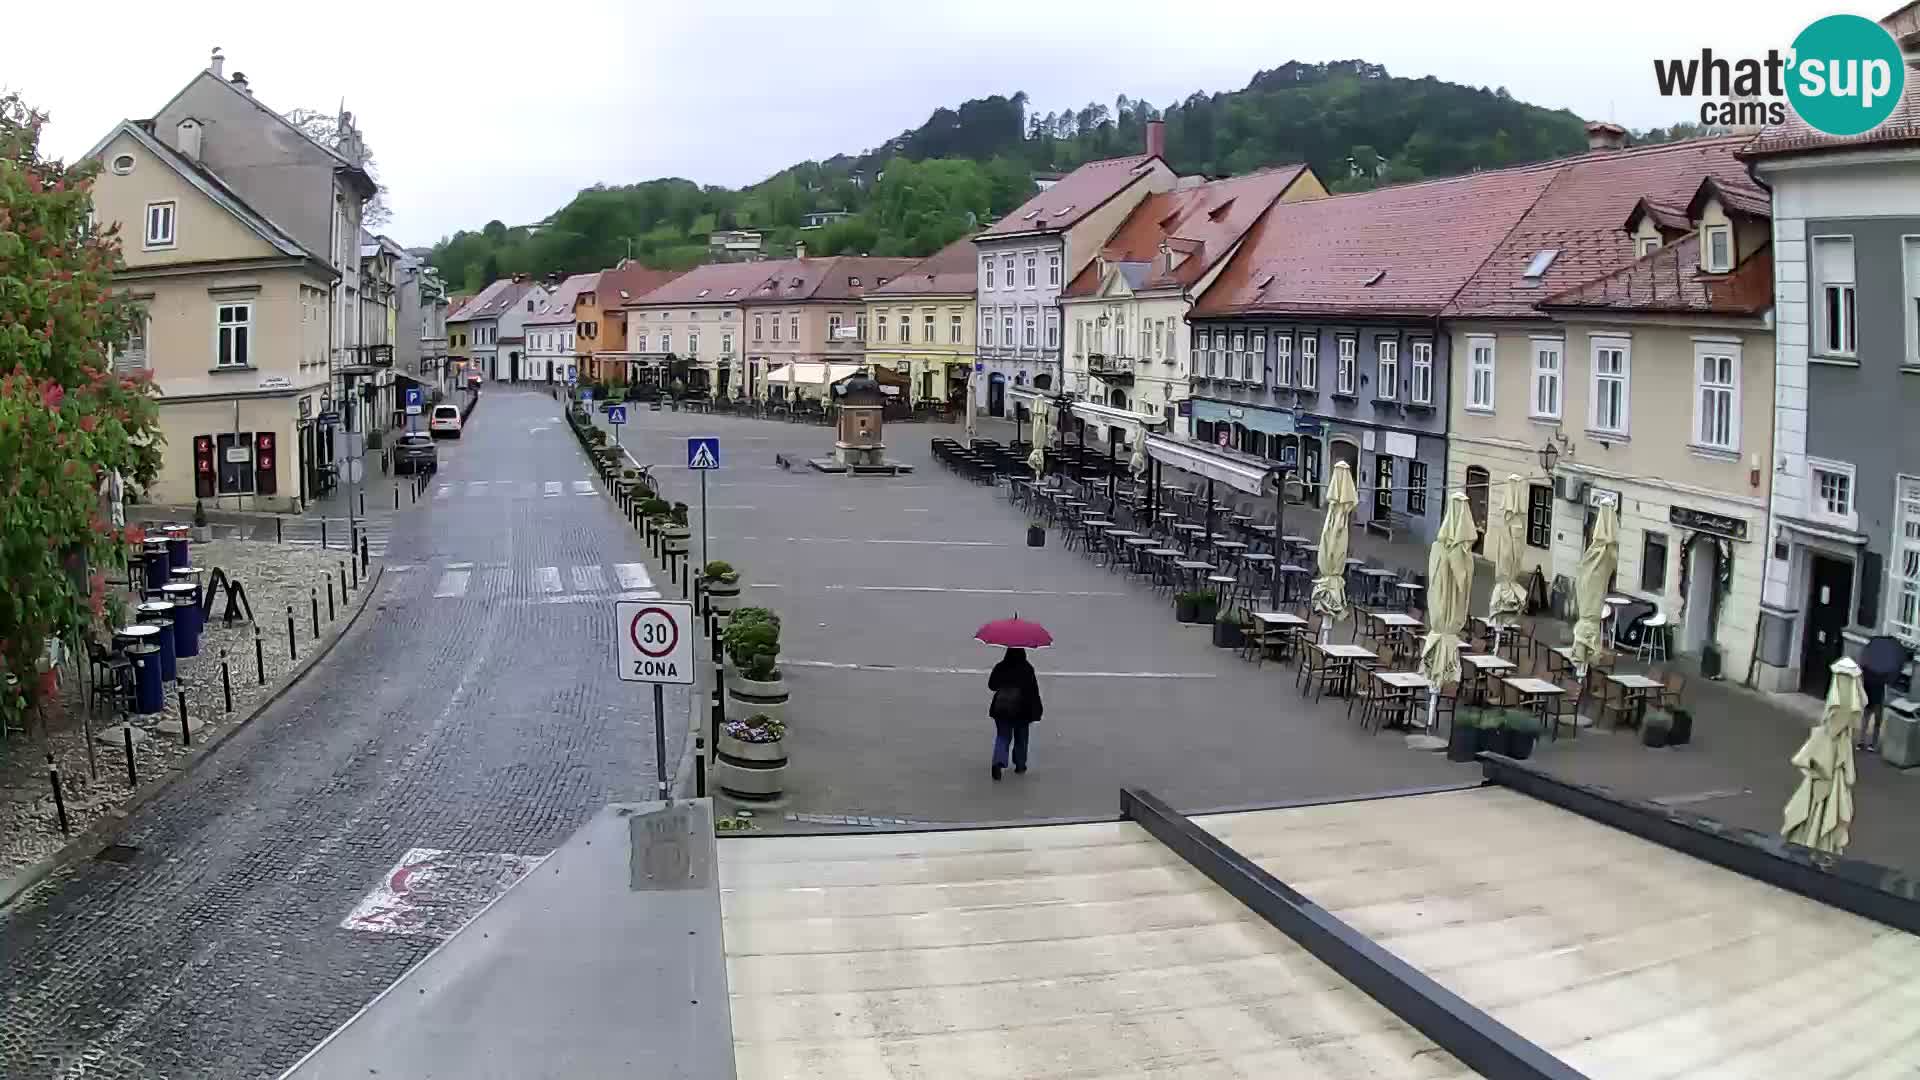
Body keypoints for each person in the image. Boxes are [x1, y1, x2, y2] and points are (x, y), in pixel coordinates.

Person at [987, 647, 1043, 780]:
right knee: (1021, 738)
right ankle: (1020, 764)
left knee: (1003, 737)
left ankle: (998, 762)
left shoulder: (1001, 666)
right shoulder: (1027, 668)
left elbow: (992, 685)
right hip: (1022, 710)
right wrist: (1037, 710)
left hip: (1002, 708)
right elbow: (1033, 692)